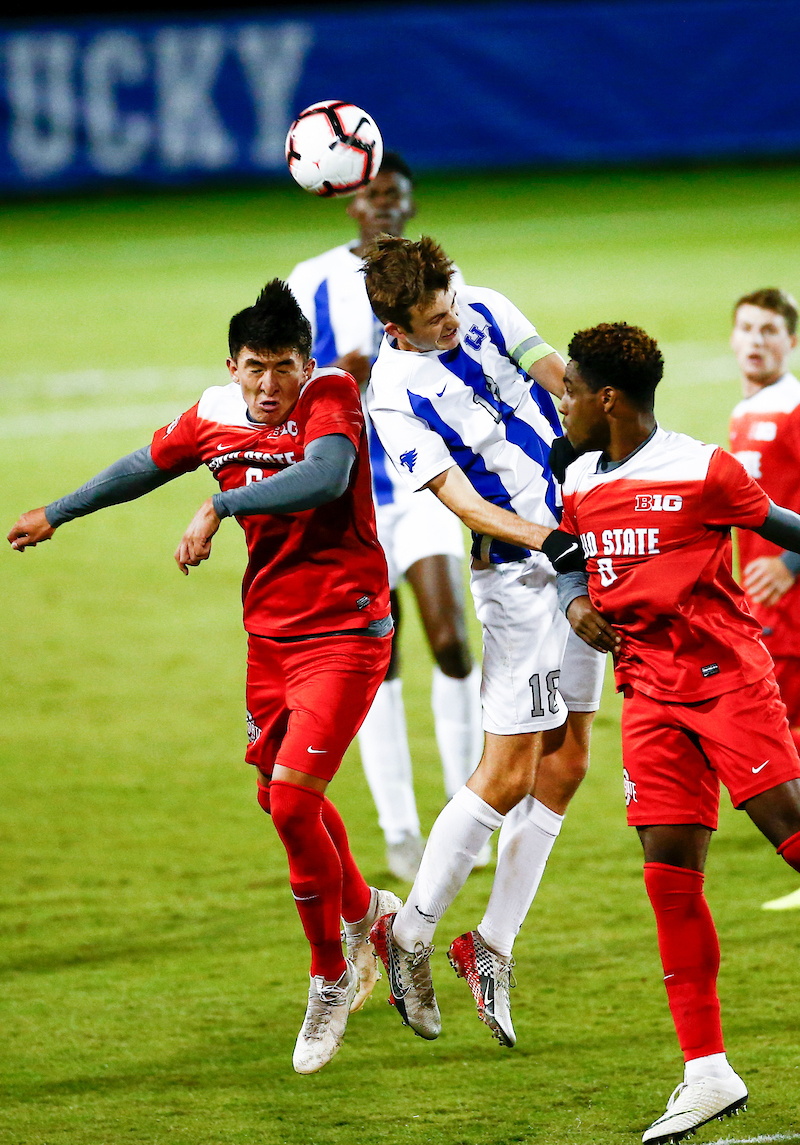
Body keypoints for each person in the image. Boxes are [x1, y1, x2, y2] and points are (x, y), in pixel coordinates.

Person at [7, 280, 403, 1076]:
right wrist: (61, 509)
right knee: (278, 799)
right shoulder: (214, 413)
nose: (268, 386)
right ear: (231, 365)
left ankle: (331, 973)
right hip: (271, 636)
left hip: (347, 627)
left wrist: (220, 507)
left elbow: (327, 478)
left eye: (283, 367)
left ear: (307, 363)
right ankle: (370, 918)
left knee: (293, 801)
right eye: (255, 368)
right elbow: (144, 464)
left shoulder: (331, 397)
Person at [556, 321, 800, 1144]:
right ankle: (707, 1072)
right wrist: (571, 597)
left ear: (609, 398)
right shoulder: (581, 476)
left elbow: (782, 523)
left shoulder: (702, 469)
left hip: (727, 682)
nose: (564, 404)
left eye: (571, 391)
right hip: (649, 700)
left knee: (791, 832)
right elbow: (567, 547)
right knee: (668, 876)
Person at [361, 235, 605, 1048]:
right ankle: (408, 937)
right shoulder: (392, 396)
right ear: (395, 326)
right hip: (520, 576)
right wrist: (543, 537)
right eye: (434, 322)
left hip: (579, 545)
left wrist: (596, 436)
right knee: (509, 770)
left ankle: (490, 947)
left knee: (569, 759)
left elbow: (554, 372)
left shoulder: (482, 303)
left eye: (451, 305)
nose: (452, 325)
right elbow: (462, 500)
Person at [287, 153, 482, 882]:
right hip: (350, 504)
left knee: (451, 638)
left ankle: (468, 807)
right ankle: (400, 825)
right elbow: (283, 382)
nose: (385, 206)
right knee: (380, 661)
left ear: (409, 203)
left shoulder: (441, 279)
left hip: (424, 486)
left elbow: (466, 364)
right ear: (349, 203)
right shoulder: (311, 281)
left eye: (396, 194)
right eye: (373, 195)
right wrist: (342, 377)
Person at [728, 287, 800, 912]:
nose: (756, 340)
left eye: (770, 330)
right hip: (765, 604)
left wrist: (790, 561)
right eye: (747, 328)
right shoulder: (746, 410)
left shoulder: (795, 407)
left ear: (792, 341)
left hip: (793, 605)